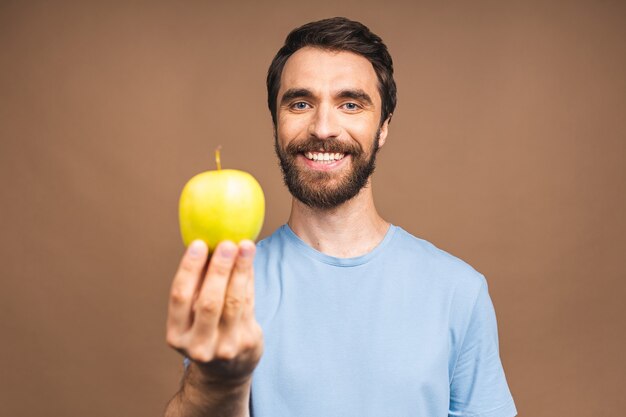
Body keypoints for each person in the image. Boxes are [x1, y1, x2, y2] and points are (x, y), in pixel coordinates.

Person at [164, 17, 517, 417]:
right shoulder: (233, 286)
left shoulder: (460, 292)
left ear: (383, 127)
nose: (324, 128)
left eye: (350, 104)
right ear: (276, 123)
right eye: (300, 103)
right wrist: (215, 385)